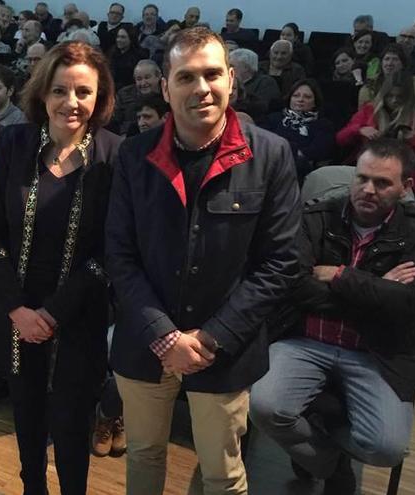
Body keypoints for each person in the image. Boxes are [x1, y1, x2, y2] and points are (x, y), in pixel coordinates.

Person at [106, 27, 301, 495]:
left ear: (232, 80)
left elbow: (282, 262)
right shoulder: (135, 154)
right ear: (166, 87)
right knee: (143, 455)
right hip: (145, 340)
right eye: (186, 77)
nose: (202, 88)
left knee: (222, 475)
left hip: (225, 349)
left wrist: (211, 338)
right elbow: (119, 253)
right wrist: (164, 335)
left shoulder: (270, 154)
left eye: (213, 74)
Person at [251, 138, 415, 494]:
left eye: (382, 183)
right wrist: (377, 290)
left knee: (386, 448)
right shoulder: (317, 216)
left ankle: (315, 443)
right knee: (263, 406)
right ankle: (331, 464)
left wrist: (339, 275)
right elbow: (294, 287)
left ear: (406, 187)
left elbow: (409, 303)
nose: (368, 189)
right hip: (304, 339)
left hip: (376, 352)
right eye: (362, 178)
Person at [0, 40, 121, 495]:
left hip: (78, 316)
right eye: (60, 90)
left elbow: (109, 250)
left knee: (73, 423)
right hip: (17, 315)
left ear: (99, 98)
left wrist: (54, 312)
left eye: (83, 91)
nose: (71, 102)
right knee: (27, 415)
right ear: (43, 94)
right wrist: (18, 310)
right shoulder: (16, 143)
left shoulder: (116, 155)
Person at [338, 71, 415, 192]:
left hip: (402, 173)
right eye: (390, 96)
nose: (394, 100)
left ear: (408, 97)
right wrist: (359, 130)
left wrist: (414, 140)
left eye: (399, 97)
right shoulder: (369, 110)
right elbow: (340, 138)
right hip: (365, 168)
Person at [262, 79, 336, 180]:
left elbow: (318, 151)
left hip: (300, 168)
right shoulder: (274, 118)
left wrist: (290, 153)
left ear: (315, 102)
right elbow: (263, 142)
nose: (300, 99)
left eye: (307, 97)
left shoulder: (323, 125)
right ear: (290, 99)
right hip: (269, 161)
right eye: (296, 96)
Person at [358, 44, 415, 108]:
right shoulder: (371, 82)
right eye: (386, 59)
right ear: (381, 62)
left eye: (395, 59)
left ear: (403, 64)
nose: (389, 63)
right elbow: (364, 109)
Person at [110, 59, 160, 135]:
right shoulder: (124, 94)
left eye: (147, 77)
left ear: (158, 76)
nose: (143, 83)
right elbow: (113, 120)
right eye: (139, 79)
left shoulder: (168, 94)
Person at [230, 47, 280, 120]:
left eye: (232, 66)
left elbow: (261, 107)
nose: (229, 69)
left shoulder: (266, 82)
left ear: (246, 67)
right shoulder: (230, 81)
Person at [107, 25, 146, 90]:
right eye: (118, 37)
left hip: (128, 90)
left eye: (123, 37)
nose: (119, 40)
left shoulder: (139, 56)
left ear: (131, 39)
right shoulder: (112, 52)